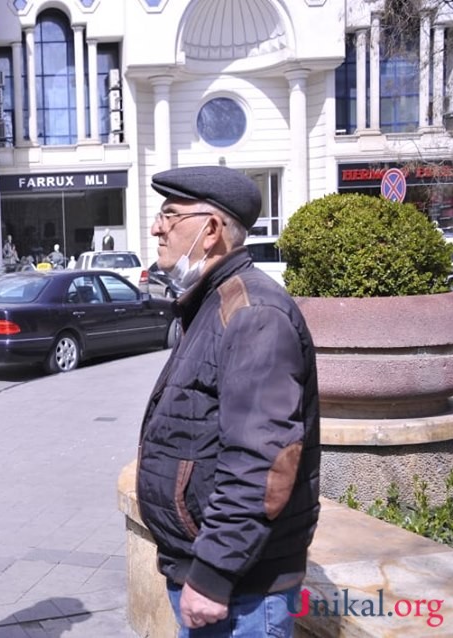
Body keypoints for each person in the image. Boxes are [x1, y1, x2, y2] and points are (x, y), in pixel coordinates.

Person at [135, 166, 320, 638]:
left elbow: (263, 462)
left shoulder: (253, 314)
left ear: (211, 230)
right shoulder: (213, 302)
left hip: (240, 592)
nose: (157, 227)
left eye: (170, 216)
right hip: (215, 574)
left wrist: (214, 575)